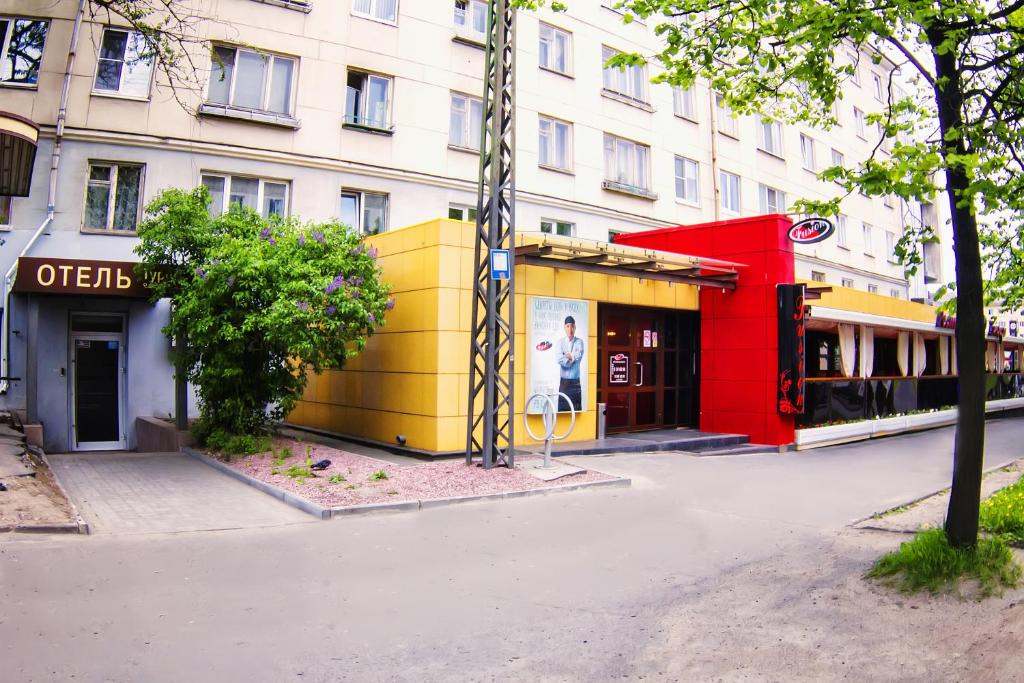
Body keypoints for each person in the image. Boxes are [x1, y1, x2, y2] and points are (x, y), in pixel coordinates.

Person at [557, 315, 584, 411]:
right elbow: (559, 359)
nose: (570, 329)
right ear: (564, 327)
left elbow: (578, 357)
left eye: (572, 326)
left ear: (575, 327)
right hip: (563, 383)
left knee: (576, 411)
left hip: (575, 383)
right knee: (562, 410)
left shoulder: (579, 342)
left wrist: (569, 357)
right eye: (568, 326)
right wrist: (569, 359)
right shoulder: (560, 342)